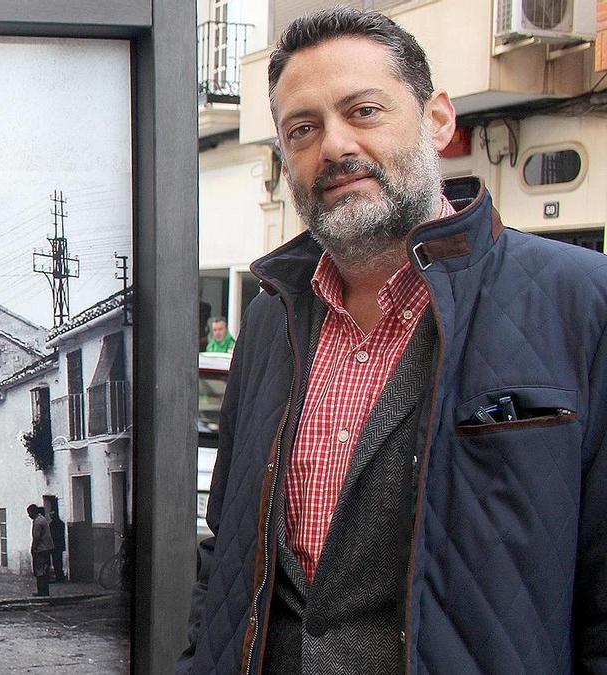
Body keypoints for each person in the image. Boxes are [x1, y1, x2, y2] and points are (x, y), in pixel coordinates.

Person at [180, 7, 607, 674]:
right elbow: (229, 558)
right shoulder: (271, 320)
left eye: (365, 111)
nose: (336, 146)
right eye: (304, 128)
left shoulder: (582, 304)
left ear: (438, 118)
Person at [28, 505, 53, 597]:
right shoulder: (43, 519)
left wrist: (33, 548)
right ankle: (45, 591)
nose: (29, 515)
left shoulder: (38, 522)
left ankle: (41, 591)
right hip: (47, 548)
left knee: (39, 571)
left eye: (29, 513)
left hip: (40, 549)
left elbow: (36, 537)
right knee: (45, 570)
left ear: (33, 512)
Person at [48, 507, 66, 583]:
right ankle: (60, 577)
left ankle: (59, 577)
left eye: (51, 515)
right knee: (59, 562)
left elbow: (51, 535)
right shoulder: (61, 523)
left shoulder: (52, 524)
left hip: (55, 546)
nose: (50, 516)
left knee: (56, 562)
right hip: (60, 546)